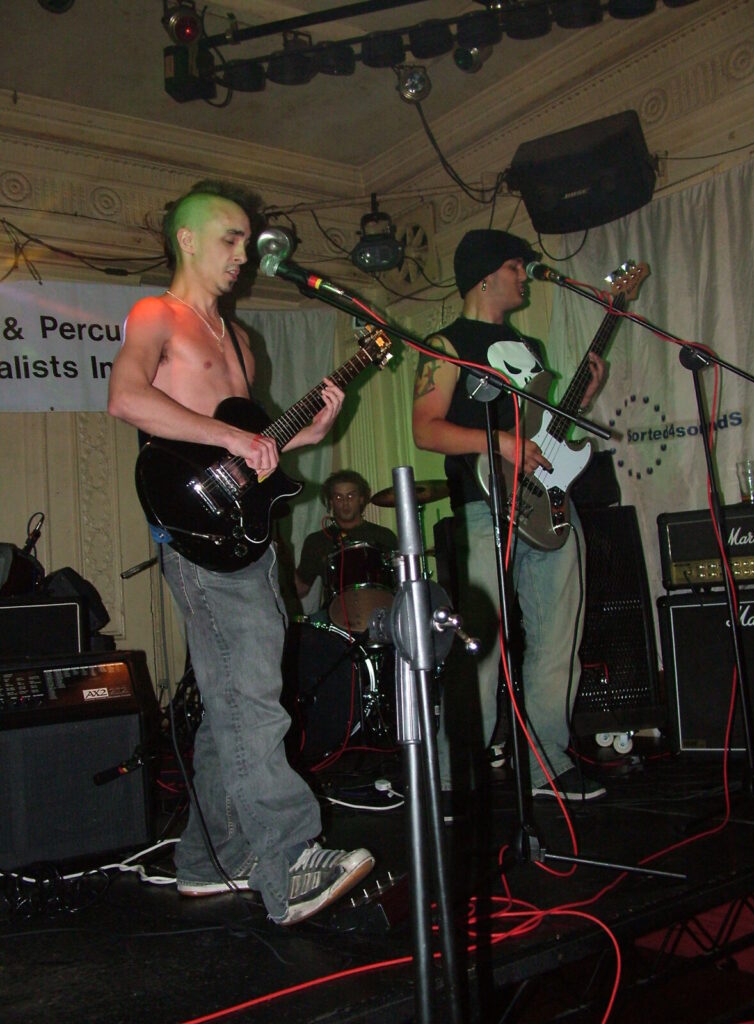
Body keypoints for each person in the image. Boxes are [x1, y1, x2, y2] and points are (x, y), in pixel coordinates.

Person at [107, 179, 374, 924]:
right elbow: (126, 398)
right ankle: (290, 864)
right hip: (196, 532)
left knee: (236, 693)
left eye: (246, 242)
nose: (242, 255)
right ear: (186, 239)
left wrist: (311, 430)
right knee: (253, 697)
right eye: (230, 238)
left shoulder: (241, 339)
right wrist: (232, 436)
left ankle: (207, 860)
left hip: (248, 534)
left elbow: (259, 451)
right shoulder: (156, 314)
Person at [411, 228, 607, 802]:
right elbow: (425, 429)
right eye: (516, 267)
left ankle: (548, 762)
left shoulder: (530, 348)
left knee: (557, 638)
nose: (525, 277)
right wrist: (499, 442)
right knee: (481, 645)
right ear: (485, 276)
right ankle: (455, 775)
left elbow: (541, 432)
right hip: (483, 508)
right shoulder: (445, 344)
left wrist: (580, 401)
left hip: (547, 504)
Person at [294, 470, 398, 621]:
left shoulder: (383, 536)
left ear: (361, 499)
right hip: (334, 615)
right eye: (338, 497)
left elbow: (400, 582)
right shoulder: (316, 541)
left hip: (379, 613)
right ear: (331, 502)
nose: (345, 503)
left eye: (350, 496)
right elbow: (301, 588)